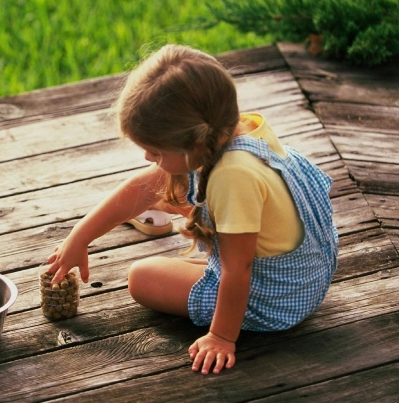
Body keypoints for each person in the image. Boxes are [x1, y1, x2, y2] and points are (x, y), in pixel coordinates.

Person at [46, 44, 338, 375]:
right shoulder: (236, 129)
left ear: (196, 144)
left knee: (142, 277)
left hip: (280, 299)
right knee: (165, 194)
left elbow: (238, 270)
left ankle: (227, 318)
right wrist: (79, 238)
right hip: (311, 271)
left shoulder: (232, 176)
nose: (147, 159)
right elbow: (141, 189)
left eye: (155, 152)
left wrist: (222, 336)